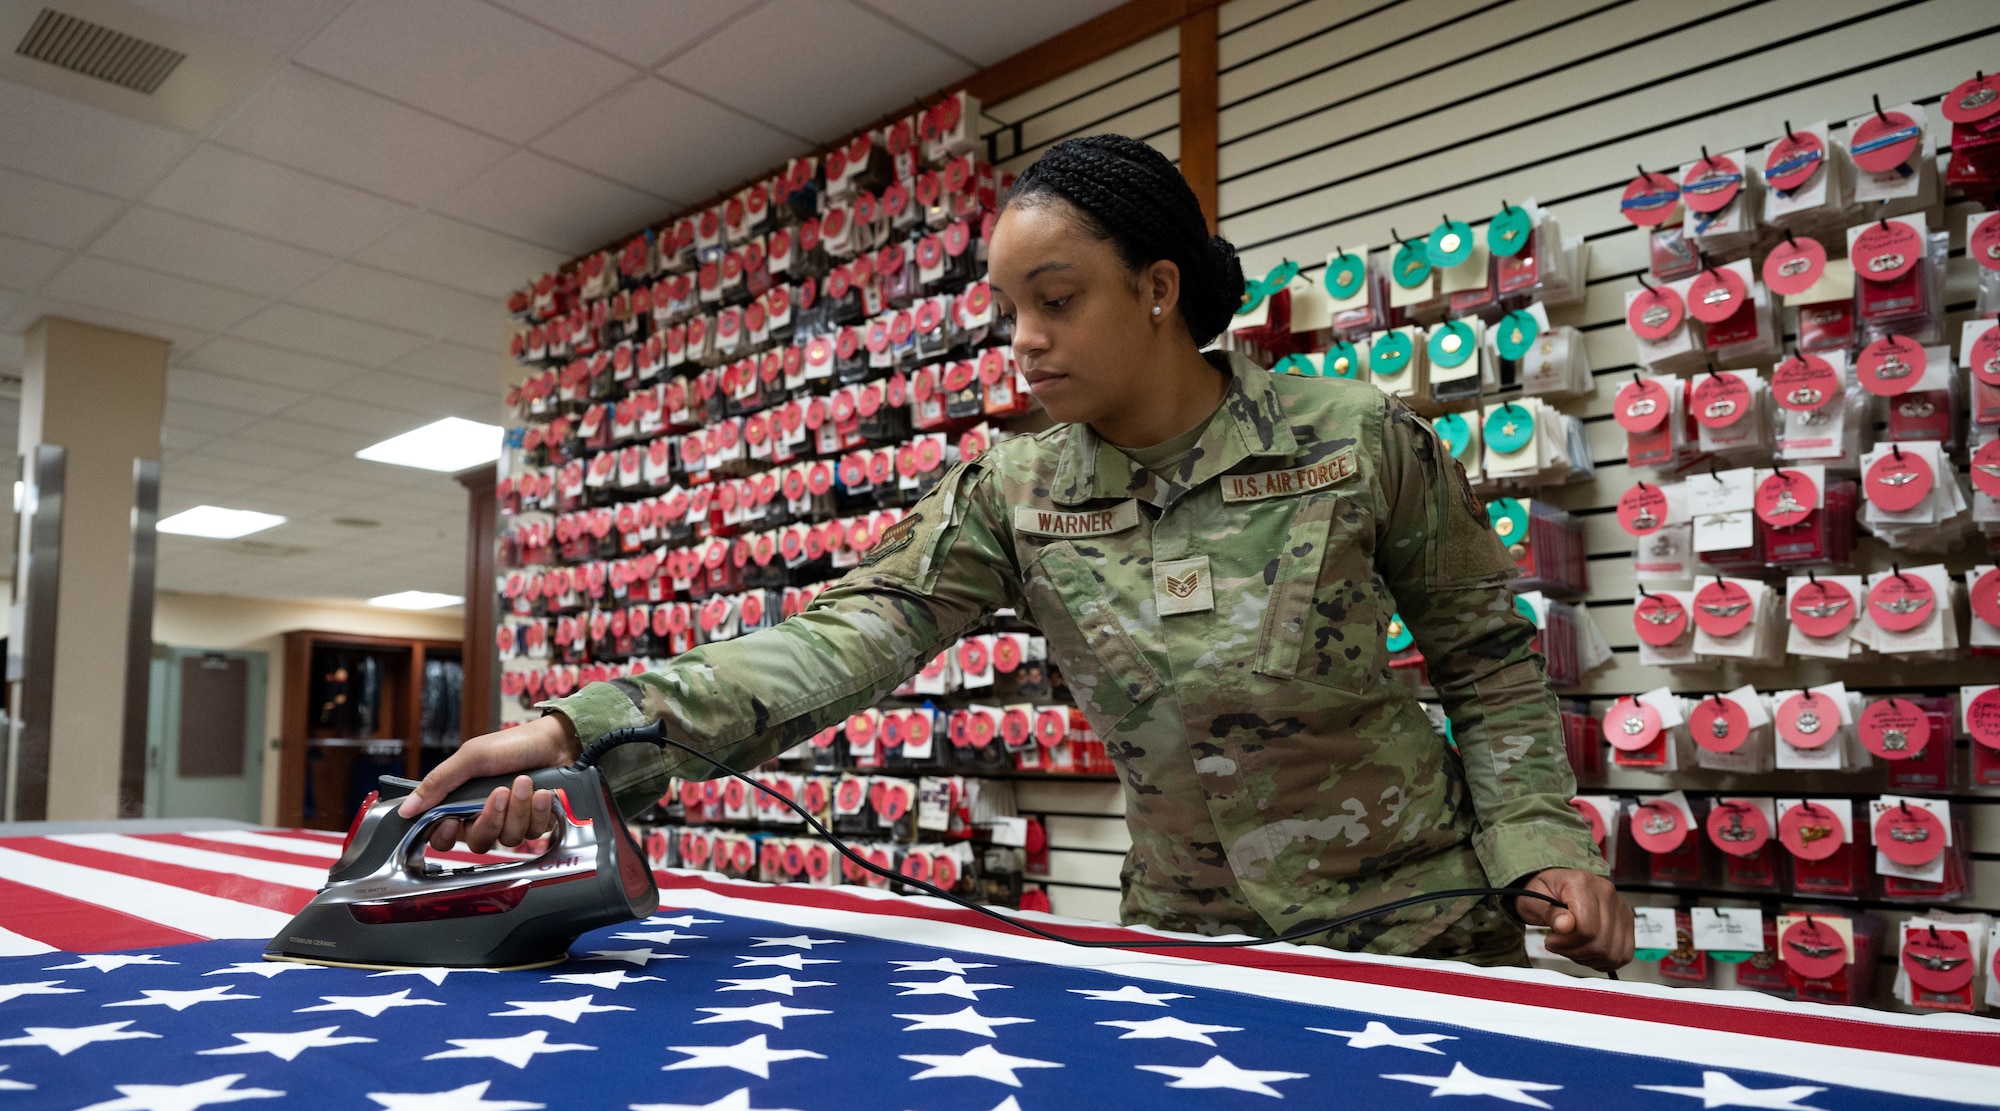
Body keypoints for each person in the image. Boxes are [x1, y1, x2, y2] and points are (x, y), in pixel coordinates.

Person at [405, 134, 1632, 972]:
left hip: (1412, 920)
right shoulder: (1014, 486)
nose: (1023, 342)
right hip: (1186, 936)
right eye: (1006, 310)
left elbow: (1484, 660)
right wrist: (578, 733)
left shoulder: (1357, 439)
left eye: (1057, 299)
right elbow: (847, 633)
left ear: (1157, 289)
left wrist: (1541, 844)